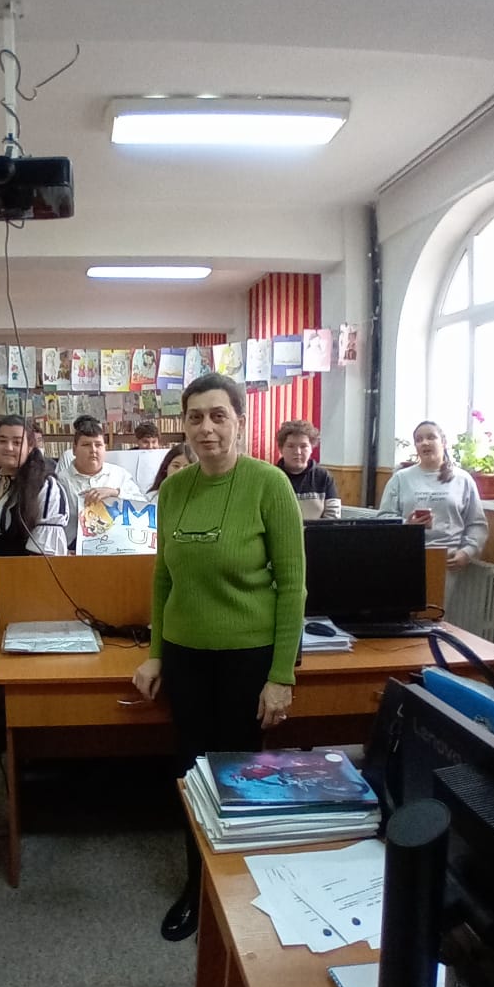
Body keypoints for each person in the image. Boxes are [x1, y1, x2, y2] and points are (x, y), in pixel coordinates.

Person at [132, 374, 305, 942]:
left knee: (237, 779)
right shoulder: (175, 490)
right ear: (183, 425)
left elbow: (293, 587)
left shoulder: (269, 485)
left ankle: (236, 892)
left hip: (247, 659)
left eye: (218, 415)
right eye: (195, 417)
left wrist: (281, 675)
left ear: (240, 422)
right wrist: (156, 653)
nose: (206, 428)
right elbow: (163, 578)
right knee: (191, 774)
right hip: (186, 657)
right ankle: (197, 886)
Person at [378, 420, 488, 616]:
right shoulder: (401, 478)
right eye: (419, 440)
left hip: (446, 561)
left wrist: (467, 552)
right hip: (407, 557)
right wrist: (407, 524)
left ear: (443, 442)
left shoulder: (463, 480)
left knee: (435, 618)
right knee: (403, 617)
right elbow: (384, 518)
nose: (425, 443)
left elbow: (477, 524)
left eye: (431, 437)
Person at [0, 416, 70, 592]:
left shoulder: (45, 486)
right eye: (2, 441)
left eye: (17, 442)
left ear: (30, 447)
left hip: (21, 580)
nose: (8, 448)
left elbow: (45, 556)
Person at [56, 416, 145, 546]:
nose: (93, 450)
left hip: (118, 546)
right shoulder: (60, 481)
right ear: (74, 450)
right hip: (73, 549)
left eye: (98, 445)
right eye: (86, 445)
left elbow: (143, 507)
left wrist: (115, 493)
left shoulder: (119, 475)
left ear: (105, 448)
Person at [275, 419, 341, 520]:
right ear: (281, 449)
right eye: (290, 446)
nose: (297, 452)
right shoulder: (272, 477)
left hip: (319, 530)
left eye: (303, 446)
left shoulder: (324, 477)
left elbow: (333, 517)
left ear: (311, 448)